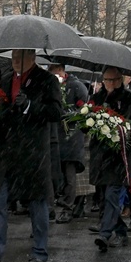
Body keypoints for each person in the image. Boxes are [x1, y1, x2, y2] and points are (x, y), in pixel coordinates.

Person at [0, 50, 64, 262]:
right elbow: (4, 112)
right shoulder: (7, 79)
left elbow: (56, 112)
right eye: (13, 56)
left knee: (37, 204)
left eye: (20, 56)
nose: (15, 60)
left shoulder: (47, 80)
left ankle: (39, 253)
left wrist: (31, 106)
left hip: (32, 152)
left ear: (31, 56)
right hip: (8, 151)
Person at [90, 66, 131, 252]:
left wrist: (126, 135)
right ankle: (121, 231)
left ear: (121, 79)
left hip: (120, 157)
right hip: (100, 156)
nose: (111, 84)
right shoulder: (97, 98)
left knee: (112, 195)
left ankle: (105, 234)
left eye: (115, 80)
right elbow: (89, 124)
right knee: (103, 196)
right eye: (107, 80)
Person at [48, 64, 89, 224]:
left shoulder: (76, 86)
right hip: (55, 136)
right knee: (55, 174)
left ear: (60, 70)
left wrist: (71, 115)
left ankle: (68, 207)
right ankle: (52, 206)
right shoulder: (52, 86)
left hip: (71, 137)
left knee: (70, 174)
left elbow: (84, 109)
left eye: (53, 70)